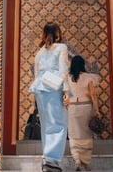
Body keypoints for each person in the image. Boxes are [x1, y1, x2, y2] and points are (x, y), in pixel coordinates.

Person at [30, 22, 70, 172]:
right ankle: (52, 161)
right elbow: (63, 70)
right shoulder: (62, 48)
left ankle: (48, 159)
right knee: (59, 124)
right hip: (54, 87)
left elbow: (36, 73)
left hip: (40, 88)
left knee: (46, 125)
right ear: (58, 33)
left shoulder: (39, 52)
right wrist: (66, 91)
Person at [67, 55, 100, 172]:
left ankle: (77, 160)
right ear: (82, 65)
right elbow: (93, 95)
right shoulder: (88, 77)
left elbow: (65, 96)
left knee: (74, 134)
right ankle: (85, 163)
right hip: (85, 107)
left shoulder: (68, 78)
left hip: (72, 108)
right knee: (86, 134)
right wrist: (97, 110)